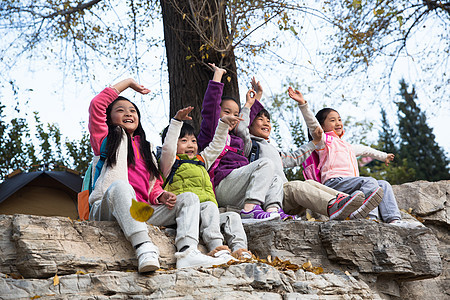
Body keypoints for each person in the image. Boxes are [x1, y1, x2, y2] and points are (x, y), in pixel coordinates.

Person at [88, 78, 228, 273]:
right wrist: (128, 83)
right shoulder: (106, 139)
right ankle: (143, 247)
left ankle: (187, 252)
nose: (128, 113)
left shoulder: (147, 149)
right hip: (108, 208)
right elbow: (97, 104)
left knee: (189, 198)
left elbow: (153, 184)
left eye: (133, 111)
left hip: (142, 211)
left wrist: (160, 195)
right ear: (109, 118)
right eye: (120, 110)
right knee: (121, 186)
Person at [287, 87, 423, 228]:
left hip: (352, 184)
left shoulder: (347, 146)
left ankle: (394, 220)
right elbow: (312, 124)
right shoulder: (324, 142)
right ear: (322, 126)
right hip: (334, 182)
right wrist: (303, 104)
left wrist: (383, 157)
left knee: (384, 185)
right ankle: (368, 217)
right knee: (370, 182)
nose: (338, 123)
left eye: (339, 119)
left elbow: (366, 151)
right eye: (332, 120)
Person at [237, 78, 368, 220]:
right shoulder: (250, 145)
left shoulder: (274, 151)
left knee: (310, 184)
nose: (266, 123)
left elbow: (295, 158)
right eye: (260, 120)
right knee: (297, 187)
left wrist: (314, 143)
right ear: (251, 124)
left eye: (268, 120)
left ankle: (346, 203)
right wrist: (253, 101)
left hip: (282, 195)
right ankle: (334, 205)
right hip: (267, 196)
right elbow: (240, 127)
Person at [159, 106, 252, 260]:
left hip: (209, 215)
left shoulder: (202, 161)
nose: (190, 144)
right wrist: (176, 123)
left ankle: (240, 250)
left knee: (232, 217)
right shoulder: (169, 163)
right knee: (209, 205)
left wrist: (223, 124)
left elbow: (216, 146)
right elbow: (168, 148)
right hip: (187, 213)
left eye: (193, 141)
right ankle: (216, 246)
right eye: (184, 141)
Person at [197, 63, 283, 222]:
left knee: (275, 176)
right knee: (265, 164)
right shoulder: (212, 133)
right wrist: (218, 76)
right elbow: (210, 110)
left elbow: (245, 121)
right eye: (227, 112)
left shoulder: (238, 140)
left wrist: (254, 100)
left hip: (239, 185)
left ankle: (273, 210)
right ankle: (250, 210)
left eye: (235, 114)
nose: (232, 116)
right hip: (221, 185)